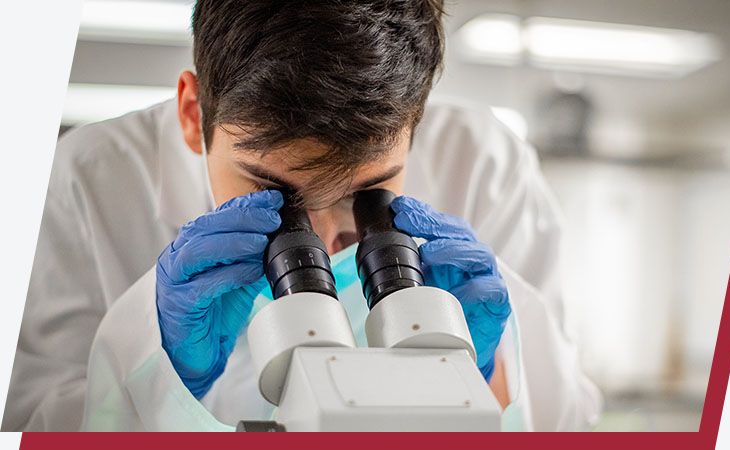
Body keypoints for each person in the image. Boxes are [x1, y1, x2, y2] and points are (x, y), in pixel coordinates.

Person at [2, 0, 600, 431]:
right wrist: (154, 373)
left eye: (368, 192)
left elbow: (571, 418)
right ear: (192, 114)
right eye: (273, 192)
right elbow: (29, 423)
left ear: (417, 122)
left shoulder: (484, 163)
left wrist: (493, 377)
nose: (318, 238)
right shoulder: (88, 178)